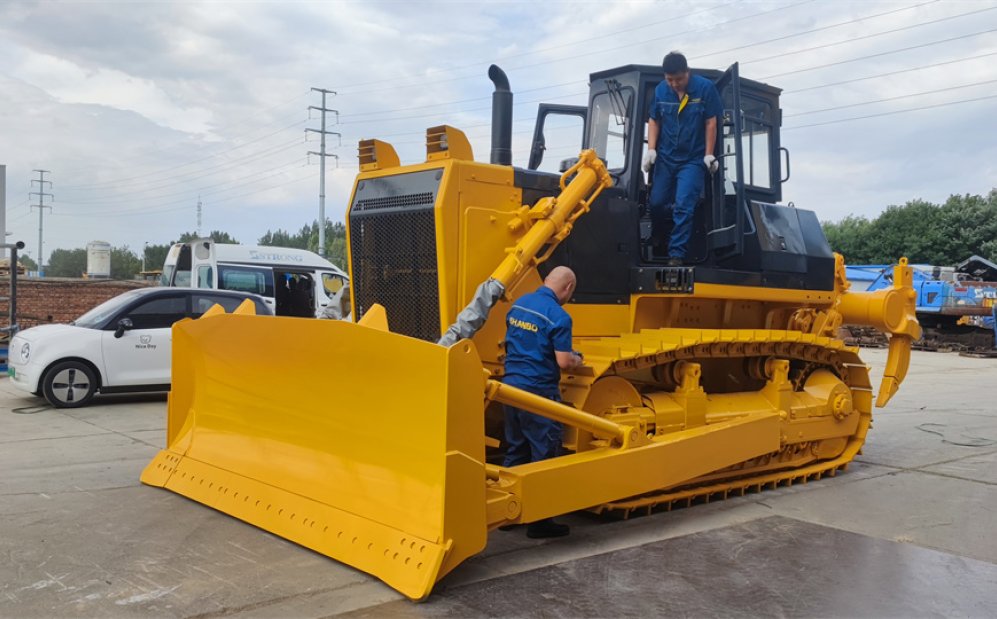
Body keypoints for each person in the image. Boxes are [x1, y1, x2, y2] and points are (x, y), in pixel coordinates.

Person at [502, 266, 584, 539]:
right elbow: (563, 362)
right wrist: (577, 359)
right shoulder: (559, 316)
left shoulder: (519, 305)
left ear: (547, 280)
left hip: (510, 388)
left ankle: (507, 513)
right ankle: (539, 522)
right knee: (544, 453)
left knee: (516, 449)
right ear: (568, 288)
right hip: (538, 393)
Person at [643, 51, 723, 266]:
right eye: (670, 79)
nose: (674, 84)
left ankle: (676, 254)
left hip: (692, 160)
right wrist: (651, 150)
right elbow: (654, 120)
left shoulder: (705, 88)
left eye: (678, 79)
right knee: (656, 202)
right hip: (666, 158)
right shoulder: (661, 91)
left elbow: (711, 122)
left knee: (683, 205)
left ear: (687, 72)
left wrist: (708, 154)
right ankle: (659, 235)